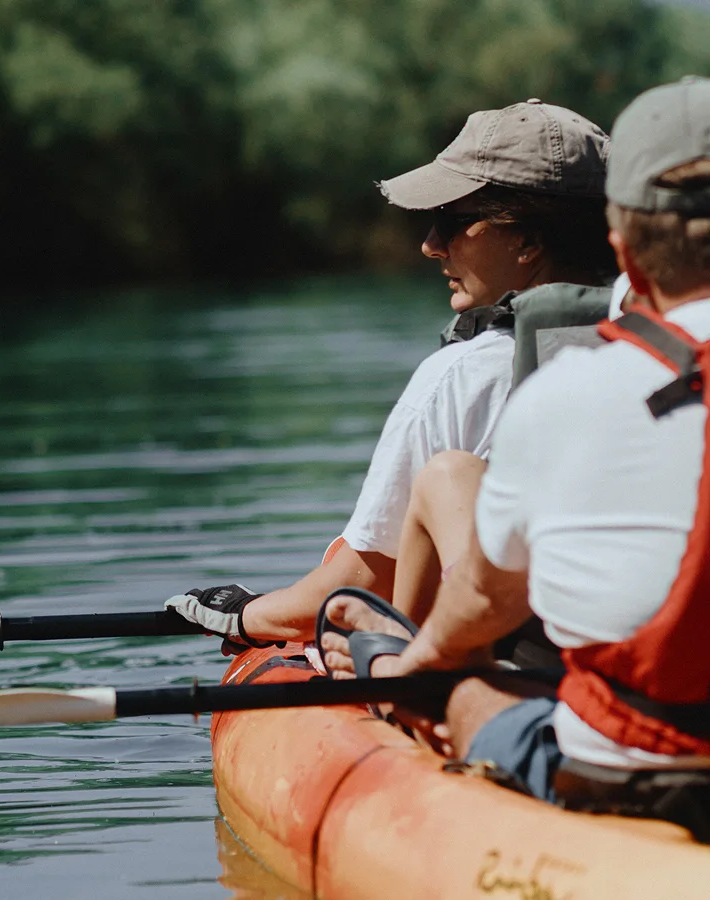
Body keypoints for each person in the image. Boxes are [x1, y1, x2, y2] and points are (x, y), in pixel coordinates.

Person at [320, 77, 710, 836]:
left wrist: (416, 660)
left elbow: (488, 599)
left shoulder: (566, 382)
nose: (429, 243)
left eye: (448, 222)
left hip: (636, 769)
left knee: (460, 690)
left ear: (626, 248)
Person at [166, 100, 616, 651]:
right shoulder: (670, 349)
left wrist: (245, 615)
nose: (430, 245)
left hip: (519, 674)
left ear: (527, 242)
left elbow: (363, 587)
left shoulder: (462, 374)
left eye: (451, 221)